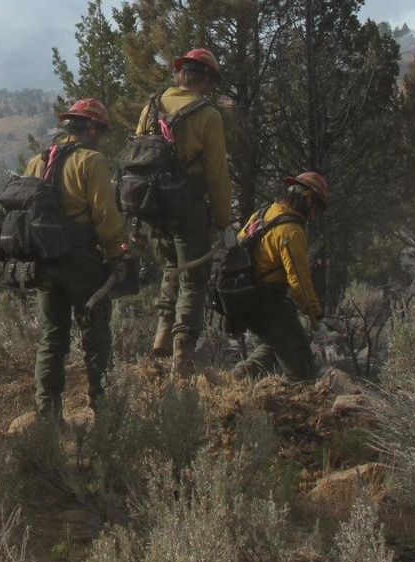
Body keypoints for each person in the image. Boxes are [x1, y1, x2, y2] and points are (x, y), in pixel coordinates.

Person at [26, 99, 131, 418]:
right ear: (90, 129)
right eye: (99, 132)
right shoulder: (92, 160)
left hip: (43, 260)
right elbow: (104, 214)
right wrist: (116, 253)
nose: (100, 138)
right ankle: (103, 409)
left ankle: (47, 413)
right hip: (81, 260)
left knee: (52, 336)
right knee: (96, 334)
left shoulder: (36, 161)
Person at [136, 47, 231, 374]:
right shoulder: (208, 115)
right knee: (193, 277)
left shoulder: (151, 106)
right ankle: (183, 353)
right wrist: (223, 220)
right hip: (188, 205)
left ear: (180, 74)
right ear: (204, 78)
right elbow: (217, 172)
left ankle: (163, 331)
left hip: (153, 206)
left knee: (169, 268)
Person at [231, 172, 327, 382]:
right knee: (302, 369)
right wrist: (315, 316)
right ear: (308, 198)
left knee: (275, 341)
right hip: (269, 301)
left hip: (246, 297)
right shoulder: (291, 230)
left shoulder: (264, 213)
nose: (314, 213)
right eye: (316, 207)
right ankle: (297, 406)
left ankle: (241, 375)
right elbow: (299, 281)